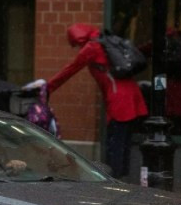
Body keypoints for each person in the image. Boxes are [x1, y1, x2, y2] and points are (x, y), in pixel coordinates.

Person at [45, 23, 148, 179]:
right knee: (124, 142)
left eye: (77, 44)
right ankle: (122, 177)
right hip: (132, 95)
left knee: (115, 144)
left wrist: (46, 87)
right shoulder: (105, 42)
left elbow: (70, 69)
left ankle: (114, 179)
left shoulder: (91, 48)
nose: (78, 48)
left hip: (119, 99)